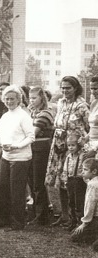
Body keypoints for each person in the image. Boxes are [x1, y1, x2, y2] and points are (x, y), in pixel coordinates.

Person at [46, 76, 89, 227]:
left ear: (76, 88)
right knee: (61, 181)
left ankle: (76, 217)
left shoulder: (81, 105)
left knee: (73, 182)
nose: (65, 91)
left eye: (68, 88)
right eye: (63, 87)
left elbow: (89, 128)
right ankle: (64, 215)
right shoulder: (60, 102)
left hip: (74, 148)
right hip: (58, 147)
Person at [0, 85, 35, 230]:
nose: (9, 101)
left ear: (19, 99)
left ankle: (17, 222)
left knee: (16, 190)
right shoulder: (5, 116)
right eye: (6, 99)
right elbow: (1, 134)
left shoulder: (24, 116)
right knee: (3, 188)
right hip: (6, 156)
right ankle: (2, 220)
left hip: (20, 158)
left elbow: (31, 137)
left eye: (12, 99)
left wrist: (16, 146)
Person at [28, 87, 54, 226]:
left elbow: (32, 133)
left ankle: (42, 216)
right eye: (30, 98)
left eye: (34, 98)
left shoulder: (45, 114)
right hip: (32, 149)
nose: (31, 101)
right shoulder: (32, 112)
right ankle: (37, 213)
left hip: (41, 150)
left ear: (41, 98)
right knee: (32, 182)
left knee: (38, 182)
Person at [71, 158, 98, 252]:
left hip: (95, 218)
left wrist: (84, 223)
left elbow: (90, 205)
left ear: (94, 171)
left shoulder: (92, 185)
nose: (82, 172)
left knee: (74, 236)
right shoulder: (94, 182)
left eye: (85, 170)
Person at [61, 134, 86, 231]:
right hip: (70, 180)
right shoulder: (68, 157)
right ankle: (73, 221)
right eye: (69, 145)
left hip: (79, 181)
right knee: (70, 201)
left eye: (73, 145)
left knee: (78, 202)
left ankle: (80, 223)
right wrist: (65, 179)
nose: (71, 147)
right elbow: (65, 169)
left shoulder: (82, 156)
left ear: (78, 146)